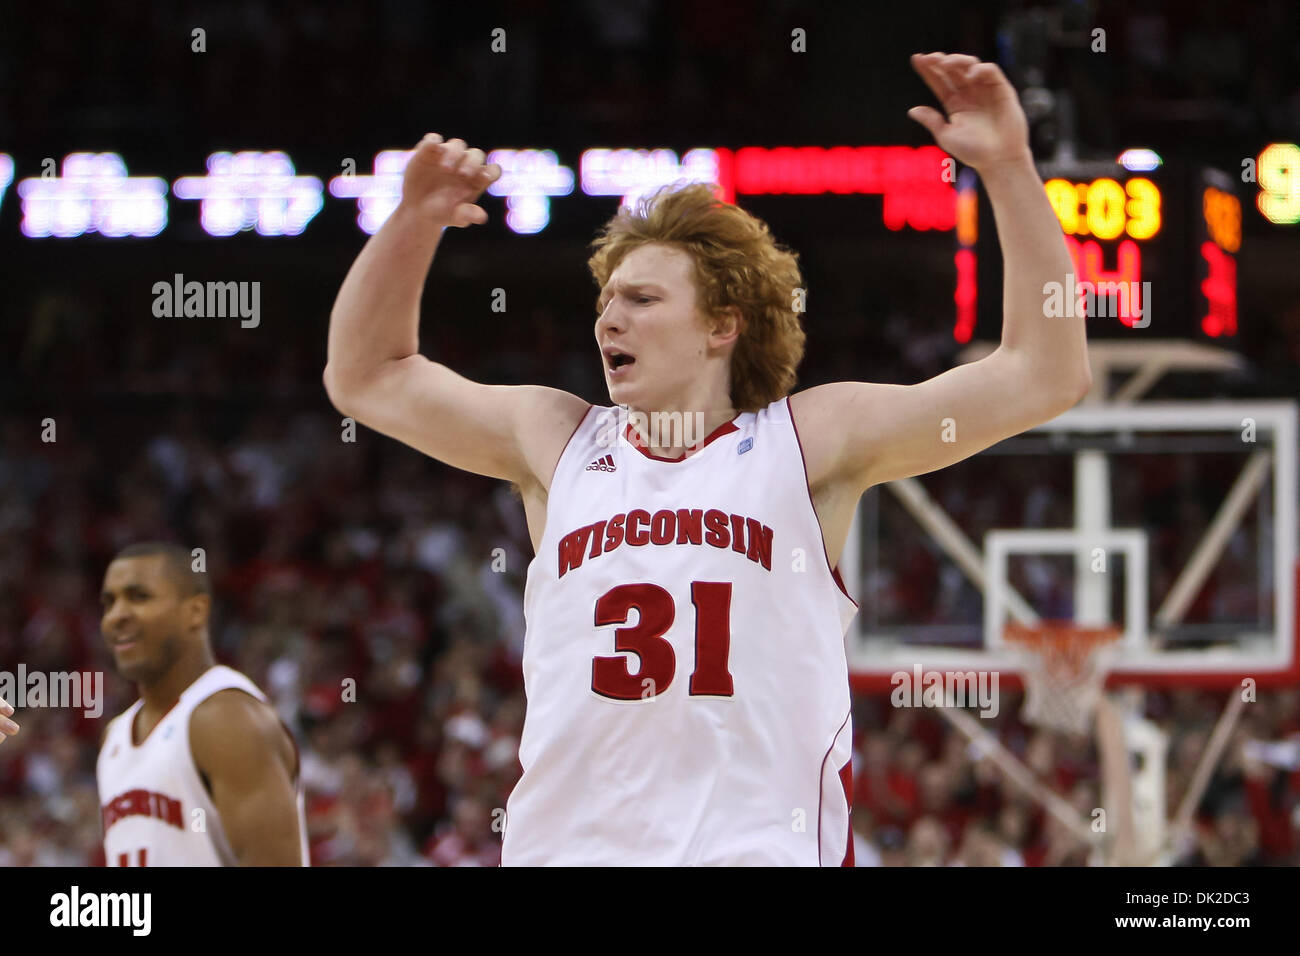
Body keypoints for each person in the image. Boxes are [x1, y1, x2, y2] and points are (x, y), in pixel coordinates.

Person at [324, 52, 1091, 865]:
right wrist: (409, 223)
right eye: (606, 301)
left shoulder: (807, 442)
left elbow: (1045, 373)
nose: (609, 319)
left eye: (643, 300)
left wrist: (1008, 166)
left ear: (721, 326)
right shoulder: (555, 440)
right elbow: (366, 377)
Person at [96, 542, 308, 865]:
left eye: (138, 597)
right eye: (108, 603)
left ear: (195, 611)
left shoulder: (227, 718)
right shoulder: (114, 735)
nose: (116, 616)